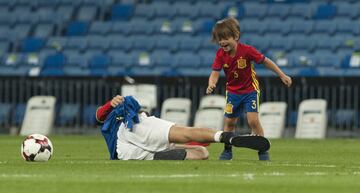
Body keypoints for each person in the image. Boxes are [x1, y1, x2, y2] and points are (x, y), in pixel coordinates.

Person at [206, 17, 292, 160]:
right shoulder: (220, 54)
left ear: (236, 36)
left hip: (250, 90)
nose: (222, 42)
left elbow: (266, 61)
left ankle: (263, 151)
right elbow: (215, 72)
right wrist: (211, 83)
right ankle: (227, 150)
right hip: (232, 93)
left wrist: (281, 75)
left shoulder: (247, 51)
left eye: (225, 38)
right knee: (229, 122)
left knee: (252, 121)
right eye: (219, 39)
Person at [96, 95, 270, 160]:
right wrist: (111, 104)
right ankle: (228, 137)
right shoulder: (125, 114)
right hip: (131, 132)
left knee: (200, 152)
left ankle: (227, 138)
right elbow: (98, 116)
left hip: (123, 150)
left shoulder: (114, 118)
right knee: (190, 137)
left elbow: (98, 117)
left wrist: (109, 105)